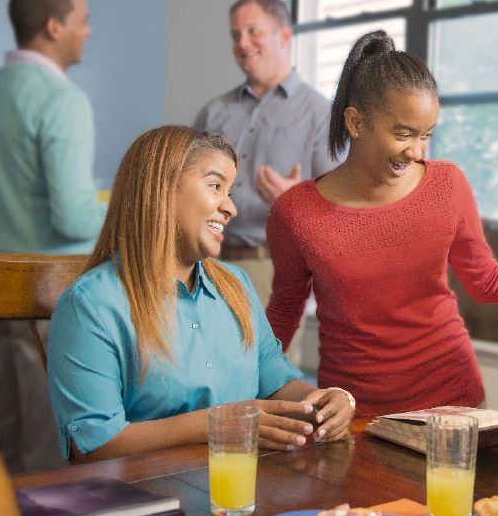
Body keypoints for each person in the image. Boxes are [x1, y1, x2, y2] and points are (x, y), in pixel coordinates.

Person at [266, 30, 498, 417]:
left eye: (426, 135)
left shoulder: (447, 184)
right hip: (354, 412)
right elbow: (286, 309)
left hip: (453, 398)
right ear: (356, 122)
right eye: (403, 134)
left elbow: (485, 280)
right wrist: (251, 383)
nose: (417, 151)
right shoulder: (295, 212)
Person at [48, 127, 354, 462]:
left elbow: (273, 378)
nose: (230, 208)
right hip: (147, 498)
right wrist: (217, 424)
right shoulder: (90, 305)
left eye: (230, 192)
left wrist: (323, 400)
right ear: (161, 188)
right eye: (215, 186)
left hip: (246, 485)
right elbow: (94, 446)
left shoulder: (236, 285)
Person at [0, 0, 106, 473]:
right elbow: (72, 216)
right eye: (82, 21)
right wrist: (134, 208)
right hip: (37, 306)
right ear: (53, 26)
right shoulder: (62, 100)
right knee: (42, 466)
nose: (88, 30)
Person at [193, 0, 339, 307]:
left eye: (253, 31)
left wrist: (295, 200)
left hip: (271, 272)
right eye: (236, 36)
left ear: (284, 36)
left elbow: (338, 213)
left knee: (265, 358)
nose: (243, 44)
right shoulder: (214, 112)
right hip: (203, 262)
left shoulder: (320, 114)